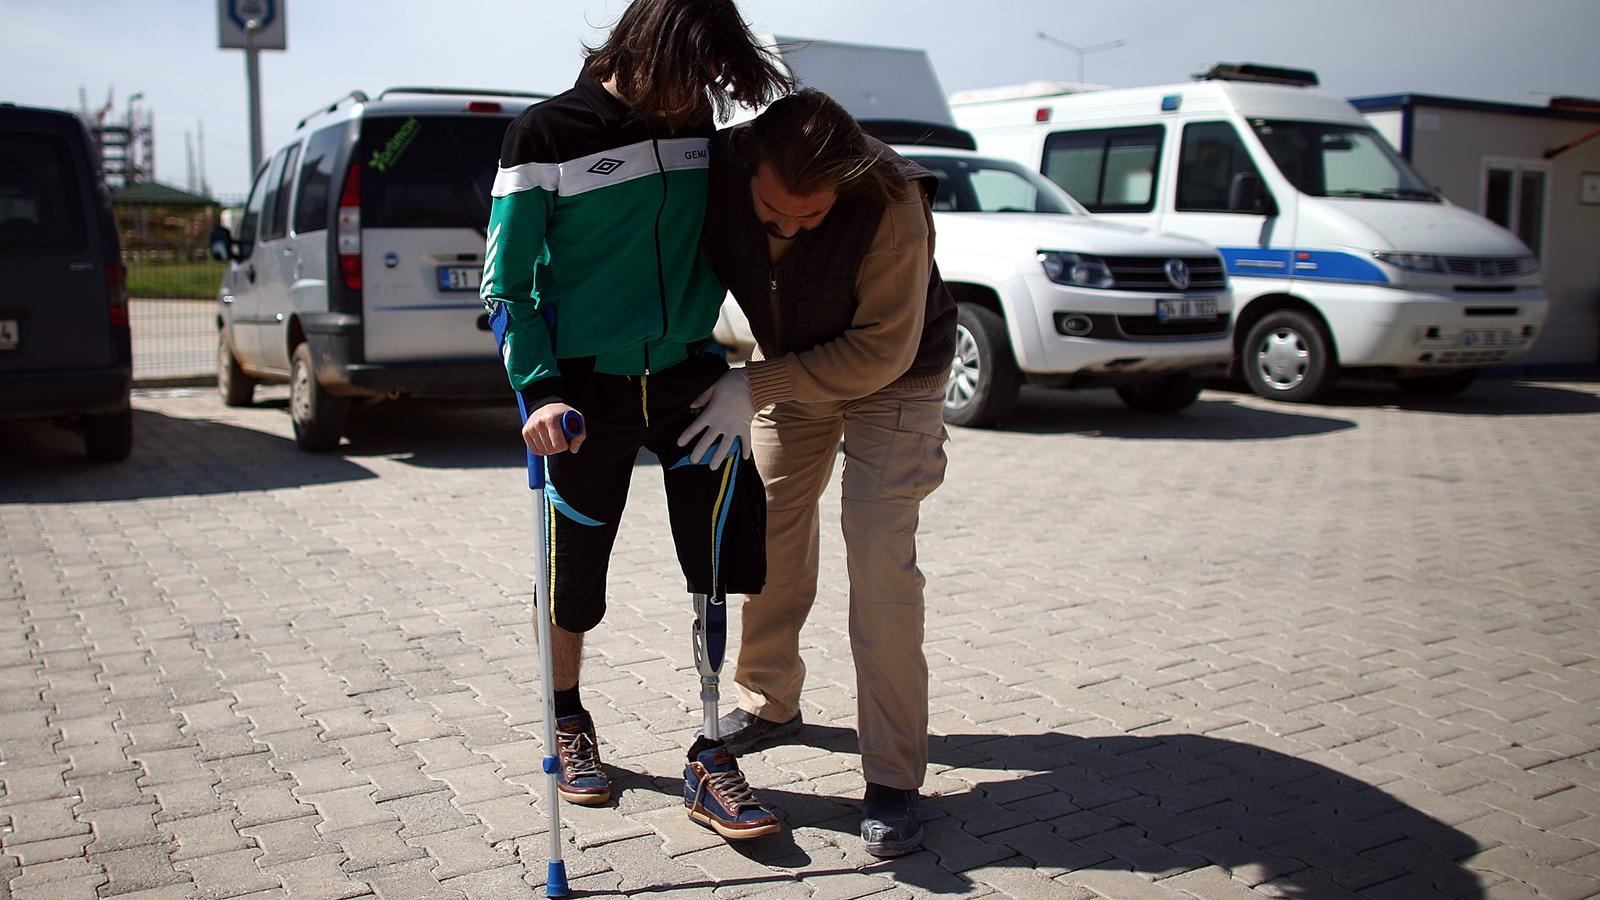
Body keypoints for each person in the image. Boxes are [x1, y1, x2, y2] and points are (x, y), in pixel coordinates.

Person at [478, 0, 790, 840]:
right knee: (573, 572)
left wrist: (751, 377)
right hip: (584, 392)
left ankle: (710, 750)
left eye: (714, 79)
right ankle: (568, 718)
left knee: (720, 557)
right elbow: (506, 286)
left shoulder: (708, 134)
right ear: (646, 48)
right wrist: (540, 391)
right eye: (694, 72)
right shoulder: (545, 136)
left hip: (693, 378)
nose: (703, 93)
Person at [699, 89, 958, 857]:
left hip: (896, 379)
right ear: (750, 168)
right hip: (791, 371)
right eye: (774, 212)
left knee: (878, 560)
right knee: (769, 531)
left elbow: (881, 349)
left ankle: (893, 775)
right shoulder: (719, 170)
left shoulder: (893, 200)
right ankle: (770, 700)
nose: (789, 228)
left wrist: (755, 386)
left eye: (810, 216)